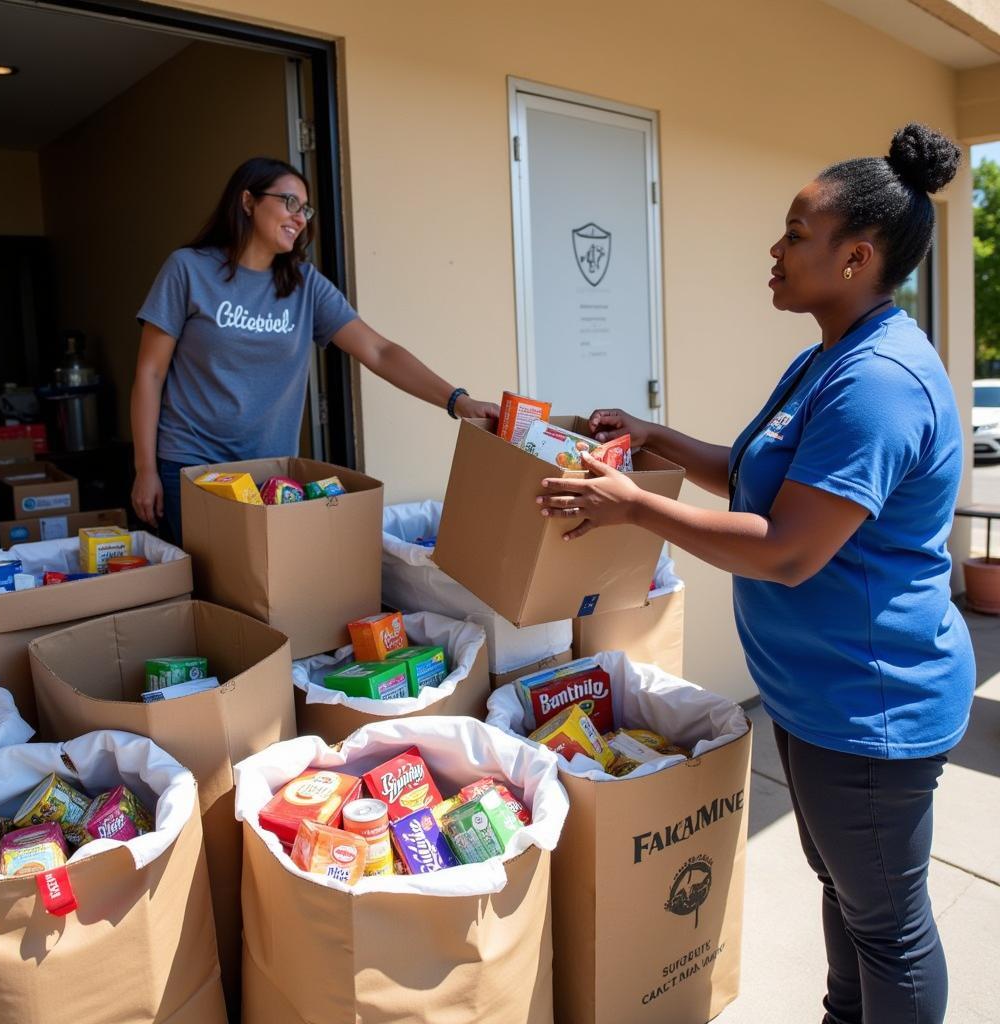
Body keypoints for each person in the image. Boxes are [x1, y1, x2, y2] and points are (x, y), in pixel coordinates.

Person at [539, 124, 974, 1024]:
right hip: (820, 697)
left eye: (793, 233)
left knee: (887, 924)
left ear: (854, 257)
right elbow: (755, 472)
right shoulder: (827, 357)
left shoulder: (880, 381)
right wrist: (658, 441)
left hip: (871, 704)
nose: (774, 251)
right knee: (847, 893)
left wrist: (632, 506)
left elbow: (787, 548)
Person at [131, 156, 497, 544]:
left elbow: (378, 350)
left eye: (304, 209)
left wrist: (458, 401)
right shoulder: (188, 270)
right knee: (207, 588)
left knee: (259, 591)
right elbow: (149, 374)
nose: (300, 217)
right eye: (289, 202)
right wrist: (145, 469)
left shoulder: (305, 286)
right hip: (191, 466)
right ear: (248, 201)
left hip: (267, 474)